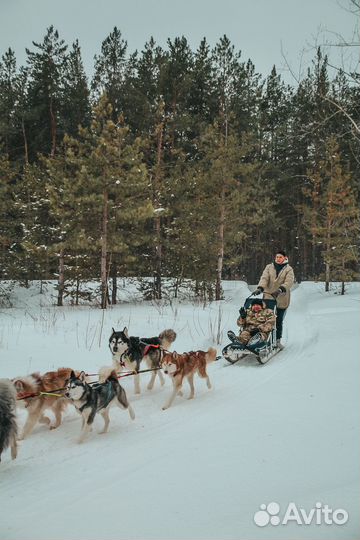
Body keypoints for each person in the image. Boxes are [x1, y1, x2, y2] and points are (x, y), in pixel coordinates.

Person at [253, 250, 295, 349]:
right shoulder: (269, 267)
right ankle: (264, 339)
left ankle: (277, 340)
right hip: (268, 297)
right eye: (277, 257)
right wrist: (260, 288)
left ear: (285, 258)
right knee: (266, 319)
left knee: (278, 320)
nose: (278, 259)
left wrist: (281, 289)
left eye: (280, 257)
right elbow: (264, 278)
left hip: (282, 298)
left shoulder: (289, 269)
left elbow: (289, 281)